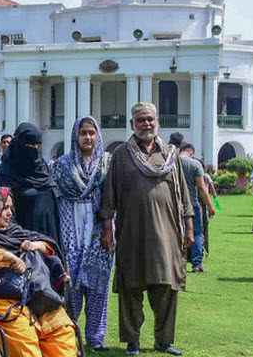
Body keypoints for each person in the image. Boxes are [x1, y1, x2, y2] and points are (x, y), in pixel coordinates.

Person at [99, 103, 194, 356]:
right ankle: (132, 341)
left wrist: (189, 227)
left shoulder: (171, 155)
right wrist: (107, 230)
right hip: (131, 233)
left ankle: (164, 340)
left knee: (166, 286)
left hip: (167, 234)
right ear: (132, 125)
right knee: (131, 286)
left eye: (150, 119)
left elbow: (184, 195)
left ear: (158, 122)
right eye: (140, 120)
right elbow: (109, 197)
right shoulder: (121, 155)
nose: (146, 124)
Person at [0, 186, 78, 357]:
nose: (10, 213)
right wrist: (7, 257)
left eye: (11, 208)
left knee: (61, 330)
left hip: (35, 294)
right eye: (4, 208)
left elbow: (48, 246)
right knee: (25, 340)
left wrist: (36, 246)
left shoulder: (13, 232)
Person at [52, 116, 113, 351]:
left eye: (92, 133)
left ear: (98, 136)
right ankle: (70, 337)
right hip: (70, 231)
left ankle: (96, 339)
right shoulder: (63, 165)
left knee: (98, 286)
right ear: (75, 136)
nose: (88, 137)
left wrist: (108, 228)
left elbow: (113, 197)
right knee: (71, 284)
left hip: (100, 231)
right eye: (83, 133)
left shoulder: (107, 163)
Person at [0, 123, 61, 243]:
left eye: (37, 146)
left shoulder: (42, 167)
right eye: (30, 145)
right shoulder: (6, 172)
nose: (34, 150)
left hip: (49, 236)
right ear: (19, 144)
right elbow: (3, 207)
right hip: (22, 238)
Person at [178, 143, 215, 273]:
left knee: (176, 233)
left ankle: (177, 262)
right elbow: (201, 187)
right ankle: (197, 264)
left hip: (174, 205)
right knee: (197, 233)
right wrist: (210, 206)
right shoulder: (195, 164)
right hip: (192, 204)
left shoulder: (171, 162)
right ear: (191, 153)